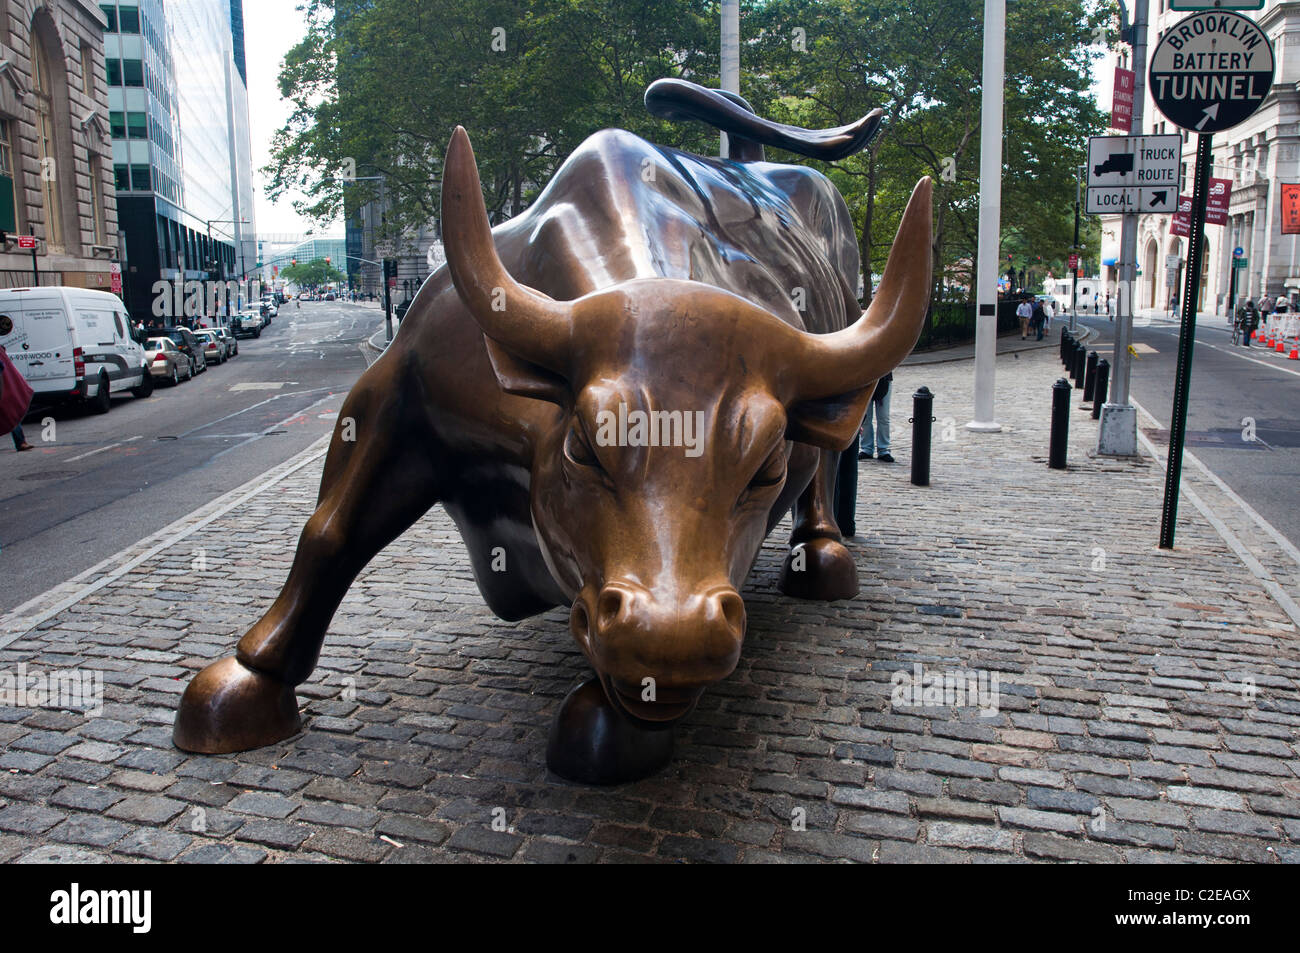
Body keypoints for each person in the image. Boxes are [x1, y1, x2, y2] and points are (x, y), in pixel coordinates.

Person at [858, 371, 893, 463]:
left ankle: (884, 449)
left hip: (884, 380)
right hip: (865, 380)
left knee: (884, 417)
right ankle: (866, 448)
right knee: (865, 418)